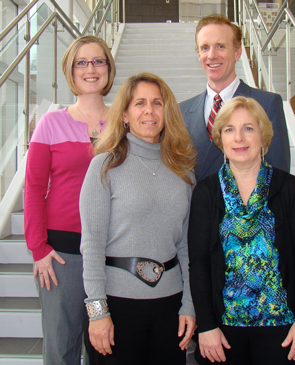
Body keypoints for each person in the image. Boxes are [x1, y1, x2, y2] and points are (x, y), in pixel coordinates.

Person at [188, 96, 295, 364]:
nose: (239, 138)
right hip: (222, 335)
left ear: (263, 137)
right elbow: (198, 263)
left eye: (248, 128)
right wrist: (206, 325)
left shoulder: (289, 188)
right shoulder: (205, 192)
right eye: (229, 129)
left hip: (283, 331)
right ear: (220, 139)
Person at [79, 72, 197, 365]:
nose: (149, 110)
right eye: (140, 103)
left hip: (171, 307)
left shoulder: (184, 172)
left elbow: (187, 248)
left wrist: (190, 305)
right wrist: (98, 313)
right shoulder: (103, 168)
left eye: (157, 103)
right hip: (116, 308)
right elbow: (91, 245)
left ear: (167, 112)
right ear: (125, 115)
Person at [24, 35, 116, 364]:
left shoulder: (125, 122)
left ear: (109, 67)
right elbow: (33, 188)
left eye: (98, 61)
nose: (90, 69)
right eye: (82, 62)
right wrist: (39, 249)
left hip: (112, 254)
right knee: (61, 349)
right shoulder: (50, 123)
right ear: (70, 70)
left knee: (105, 350)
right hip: (61, 256)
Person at [179, 14, 290, 181]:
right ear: (198, 55)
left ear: (237, 52)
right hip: (199, 206)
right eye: (205, 48)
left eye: (221, 46)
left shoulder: (267, 104)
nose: (212, 55)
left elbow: (279, 176)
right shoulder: (182, 111)